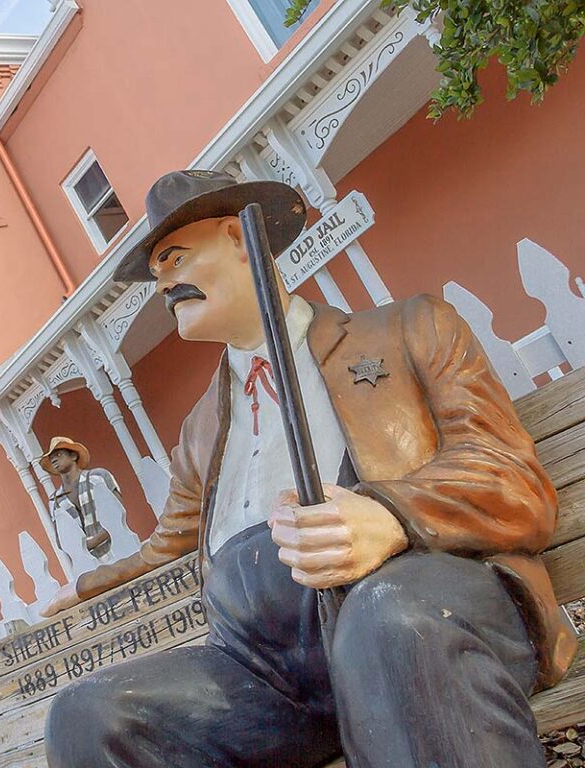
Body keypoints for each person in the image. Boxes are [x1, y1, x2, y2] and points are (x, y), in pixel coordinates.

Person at [42, 171, 577, 768]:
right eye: (158, 270)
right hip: (274, 679)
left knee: (385, 621)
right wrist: (86, 585)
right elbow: (168, 546)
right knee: (91, 716)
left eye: (174, 257)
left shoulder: (408, 329)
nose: (162, 281)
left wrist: (391, 517)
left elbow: (513, 477)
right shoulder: (199, 431)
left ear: (239, 238)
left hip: (422, 612)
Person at [40, 436, 120, 559]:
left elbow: (119, 512)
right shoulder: (55, 501)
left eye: (59, 454)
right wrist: (81, 548)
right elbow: (62, 540)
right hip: (88, 563)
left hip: (118, 549)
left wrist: (91, 543)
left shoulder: (98, 477)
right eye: (51, 458)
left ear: (73, 456)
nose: (54, 460)